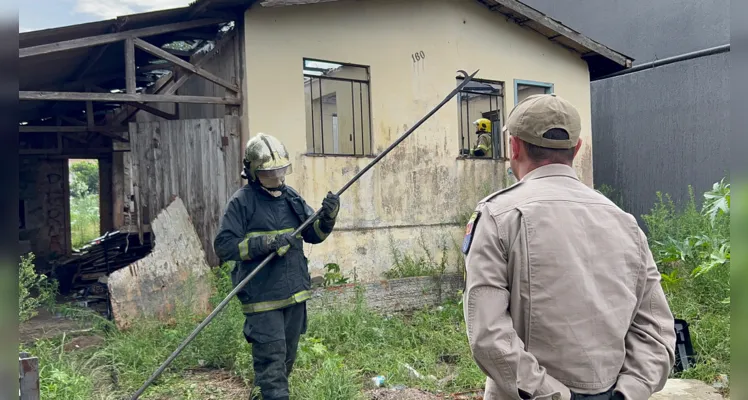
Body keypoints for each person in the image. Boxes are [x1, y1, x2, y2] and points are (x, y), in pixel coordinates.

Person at [461, 94, 676, 400]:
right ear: (576, 149)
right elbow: (656, 329)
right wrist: (627, 393)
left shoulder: (498, 216)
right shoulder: (625, 222)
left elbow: (487, 334)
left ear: (514, 147)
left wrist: (554, 394)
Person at [214, 133, 340, 400]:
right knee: (271, 369)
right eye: (270, 173)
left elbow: (313, 234)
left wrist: (328, 216)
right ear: (253, 172)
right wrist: (267, 243)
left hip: (294, 294)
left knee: (284, 364)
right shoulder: (242, 202)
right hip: (263, 300)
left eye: (281, 171)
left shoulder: (290, 196)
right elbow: (224, 246)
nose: (278, 178)